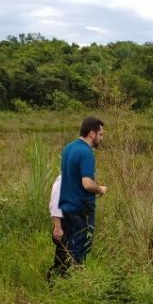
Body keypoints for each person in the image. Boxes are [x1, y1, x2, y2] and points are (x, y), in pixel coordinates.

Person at [58, 117, 106, 266]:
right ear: (92, 134)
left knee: (68, 248)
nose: (101, 138)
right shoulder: (86, 153)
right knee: (80, 250)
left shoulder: (68, 148)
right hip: (80, 210)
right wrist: (100, 189)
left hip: (66, 208)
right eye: (101, 134)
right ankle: (78, 282)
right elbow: (87, 184)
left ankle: (64, 279)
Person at [46, 173, 71, 279]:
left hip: (73, 223)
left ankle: (65, 280)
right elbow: (54, 204)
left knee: (70, 255)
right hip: (63, 224)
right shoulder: (62, 180)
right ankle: (54, 281)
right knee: (63, 255)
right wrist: (57, 227)